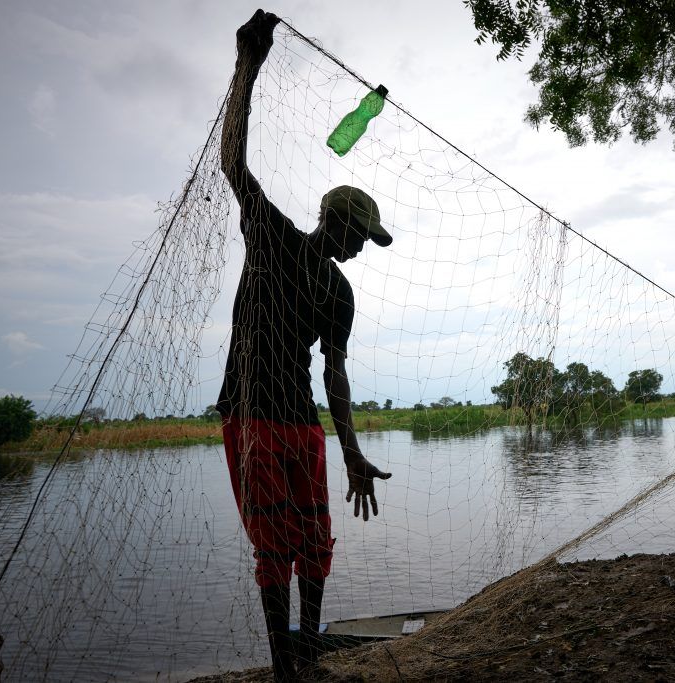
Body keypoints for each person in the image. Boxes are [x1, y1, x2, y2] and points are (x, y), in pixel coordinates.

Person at [217, 9, 393, 680]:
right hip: (252, 414)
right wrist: (246, 68)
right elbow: (235, 163)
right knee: (275, 548)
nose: (356, 245)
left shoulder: (340, 292)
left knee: (316, 544)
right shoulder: (273, 237)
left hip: (301, 424)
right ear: (330, 220)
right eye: (353, 231)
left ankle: (309, 649)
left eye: (363, 238)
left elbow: (337, 376)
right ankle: (282, 665)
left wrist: (350, 451)